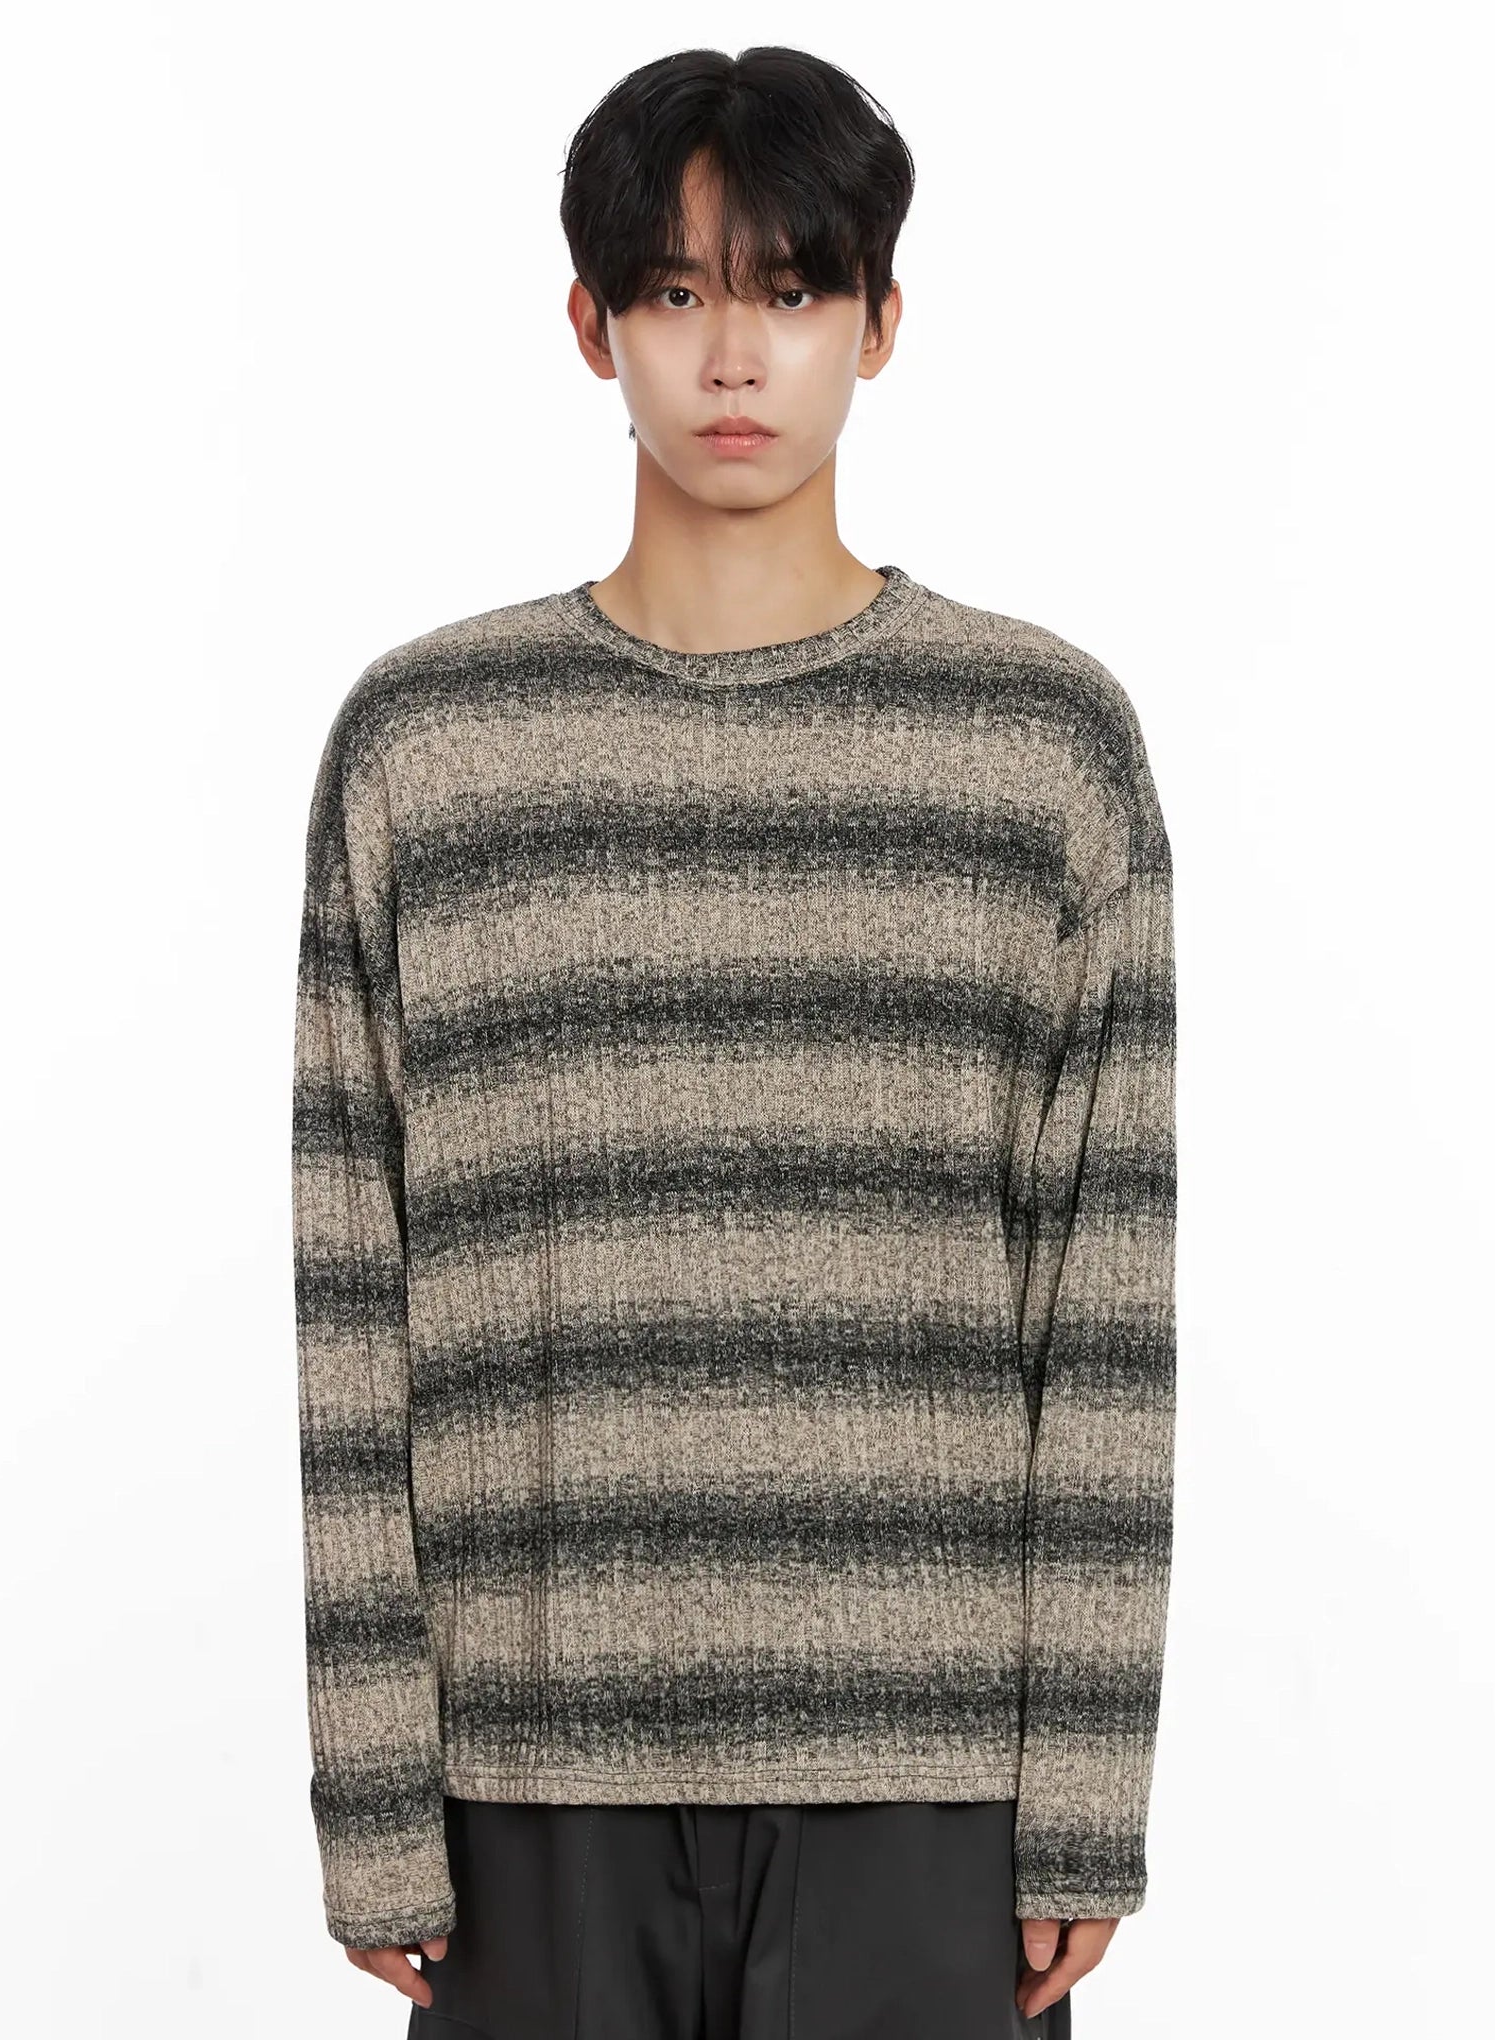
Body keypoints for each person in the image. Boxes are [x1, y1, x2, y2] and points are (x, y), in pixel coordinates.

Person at [290, 43, 1177, 2040]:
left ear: (881, 321)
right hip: (528, 1782)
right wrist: (371, 1784)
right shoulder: (431, 752)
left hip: (929, 1784)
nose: (732, 355)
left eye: (789, 287)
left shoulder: (1040, 749)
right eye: (676, 290)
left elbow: (1105, 1301)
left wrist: (1087, 1791)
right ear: (588, 323)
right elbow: (353, 1292)